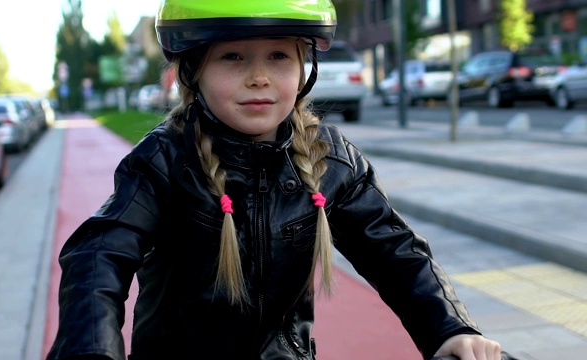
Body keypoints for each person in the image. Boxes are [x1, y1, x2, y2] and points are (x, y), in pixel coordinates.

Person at [47, 1, 505, 359]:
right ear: (193, 71)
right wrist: (91, 348)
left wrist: (452, 329)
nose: (259, 77)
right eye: (232, 57)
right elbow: (98, 253)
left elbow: (395, 252)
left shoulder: (330, 159)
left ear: (304, 70)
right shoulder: (165, 161)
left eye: (279, 56)